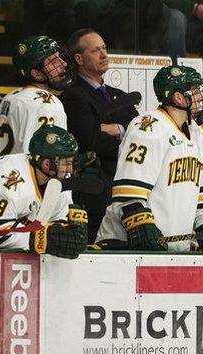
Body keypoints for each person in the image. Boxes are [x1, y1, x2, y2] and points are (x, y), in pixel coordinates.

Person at [93, 65, 203, 252]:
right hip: (124, 247)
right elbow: (129, 198)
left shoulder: (197, 132)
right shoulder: (147, 127)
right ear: (178, 97)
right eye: (195, 92)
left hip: (173, 251)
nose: (200, 98)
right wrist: (142, 225)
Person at [0, 124, 88, 258]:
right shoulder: (9, 181)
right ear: (47, 163)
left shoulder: (56, 181)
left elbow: (56, 225)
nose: (70, 169)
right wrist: (41, 239)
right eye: (66, 163)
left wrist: (63, 234)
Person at [61, 29, 138, 242]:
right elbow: (91, 142)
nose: (104, 54)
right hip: (95, 197)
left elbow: (138, 133)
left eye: (104, 48)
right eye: (95, 51)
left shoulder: (120, 96)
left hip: (124, 193)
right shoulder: (73, 96)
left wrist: (115, 130)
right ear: (79, 59)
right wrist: (125, 136)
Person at [0, 35, 74, 157]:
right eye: (53, 61)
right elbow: (38, 157)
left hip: (5, 172)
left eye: (60, 57)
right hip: (26, 174)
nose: (64, 63)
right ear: (37, 74)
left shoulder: (10, 97)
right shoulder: (45, 104)